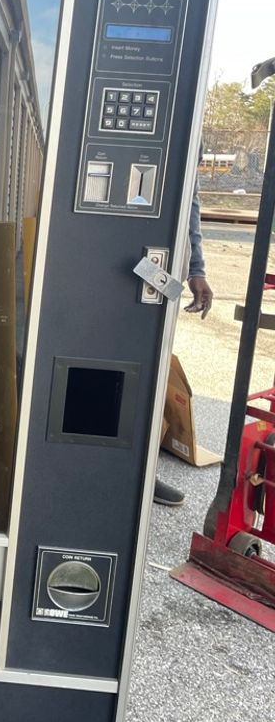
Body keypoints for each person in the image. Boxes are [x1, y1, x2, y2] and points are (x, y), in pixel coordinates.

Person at [154, 184, 214, 506]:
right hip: (127, 257)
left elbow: (189, 196)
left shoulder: (193, 135)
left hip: (160, 270)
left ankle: (141, 469)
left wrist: (196, 269)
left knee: (152, 371)